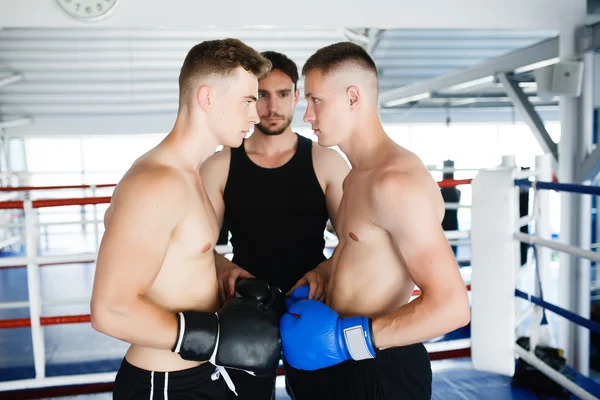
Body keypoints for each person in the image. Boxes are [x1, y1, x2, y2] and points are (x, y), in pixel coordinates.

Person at [89, 38, 283, 400]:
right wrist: (216, 338)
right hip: (164, 384)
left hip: (206, 372)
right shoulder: (156, 183)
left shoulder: (192, 173)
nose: (256, 116)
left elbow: (177, 248)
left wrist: (222, 269)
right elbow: (109, 310)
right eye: (247, 101)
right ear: (207, 98)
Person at [280, 42, 471, 400]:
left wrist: (346, 339)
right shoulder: (356, 176)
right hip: (341, 360)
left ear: (353, 97)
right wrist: (325, 271)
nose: (307, 116)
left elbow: (452, 307)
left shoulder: (396, 183)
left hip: (380, 367)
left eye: (316, 100)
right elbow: (364, 245)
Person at [199, 50, 350, 399]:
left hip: (313, 302)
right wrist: (223, 267)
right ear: (249, 100)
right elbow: (199, 244)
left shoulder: (326, 160)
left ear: (297, 97)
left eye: (283, 94)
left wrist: (327, 272)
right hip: (245, 306)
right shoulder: (220, 165)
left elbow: (356, 240)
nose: (272, 107)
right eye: (262, 95)